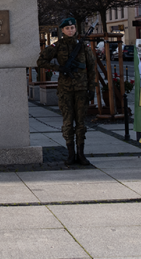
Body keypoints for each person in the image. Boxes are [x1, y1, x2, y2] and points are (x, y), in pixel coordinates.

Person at [36, 17, 97, 166]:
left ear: (76, 29)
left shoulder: (84, 47)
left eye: (72, 28)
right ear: (62, 30)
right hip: (65, 90)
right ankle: (70, 154)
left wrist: (91, 89)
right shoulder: (57, 46)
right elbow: (41, 61)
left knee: (81, 123)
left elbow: (92, 69)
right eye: (67, 28)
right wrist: (59, 68)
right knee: (68, 122)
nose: (70, 30)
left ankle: (81, 154)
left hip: (82, 89)